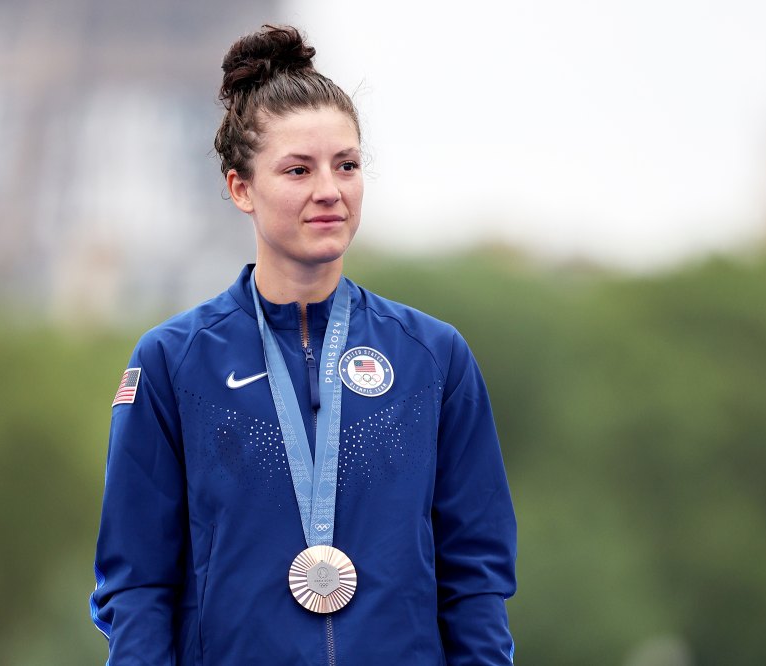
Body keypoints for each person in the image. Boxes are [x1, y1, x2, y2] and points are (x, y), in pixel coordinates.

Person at [90, 24, 517, 665]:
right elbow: (137, 584)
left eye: (346, 165)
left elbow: (476, 577)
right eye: (298, 169)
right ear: (240, 188)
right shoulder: (173, 363)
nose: (329, 190)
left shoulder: (434, 357)